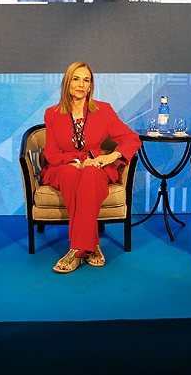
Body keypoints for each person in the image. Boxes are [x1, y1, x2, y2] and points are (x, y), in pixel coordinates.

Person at [41, 62, 141, 273]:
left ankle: (76, 249)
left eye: (86, 80)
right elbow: (50, 153)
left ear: (90, 87)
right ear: (67, 83)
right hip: (63, 167)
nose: (81, 84)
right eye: (76, 79)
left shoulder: (103, 110)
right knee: (70, 173)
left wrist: (109, 157)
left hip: (95, 165)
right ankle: (92, 244)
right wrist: (75, 161)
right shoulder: (52, 113)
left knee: (90, 173)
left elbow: (131, 138)